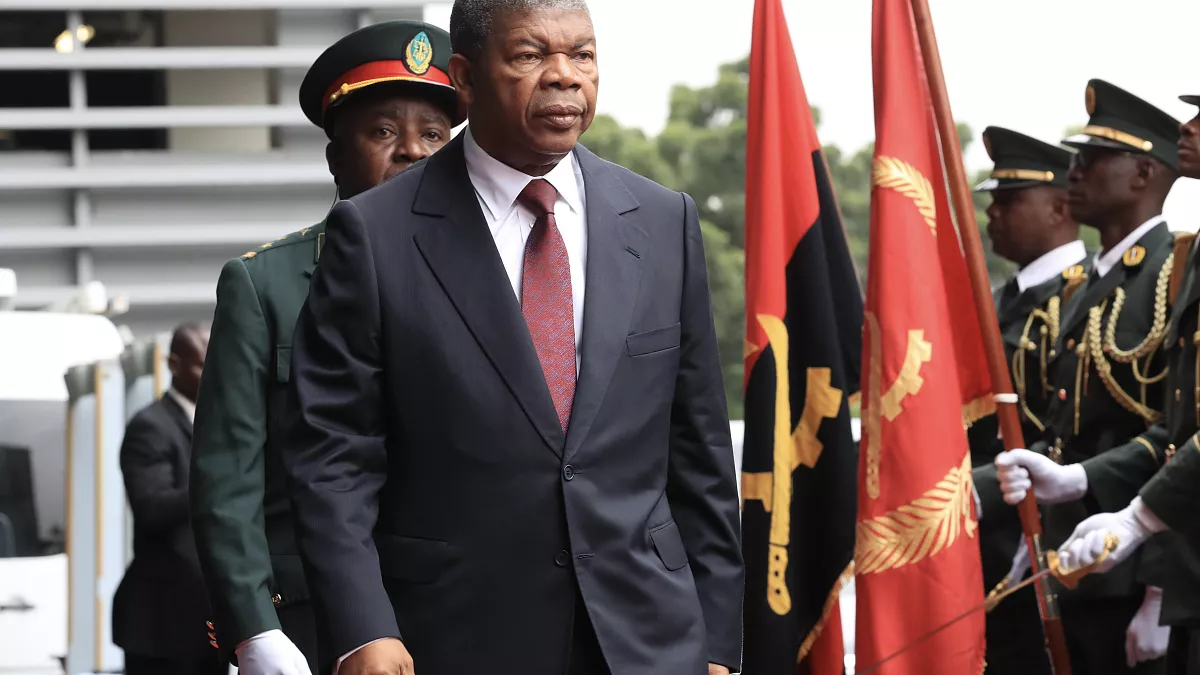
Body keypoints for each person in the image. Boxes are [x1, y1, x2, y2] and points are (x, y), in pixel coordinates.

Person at [279, 1, 744, 674]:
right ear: (465, 79)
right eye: (530, 55)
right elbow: (333, 456)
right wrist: (363, 629)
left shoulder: (664, 220)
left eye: (582, 55)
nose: (564, 75)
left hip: (649, 641)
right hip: (454, 637)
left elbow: (699, 452)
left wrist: (719, 645)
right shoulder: (375, 234)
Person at [189, 20, 460, 675]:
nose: (413, 151)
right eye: (384, 132)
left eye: (433, 135)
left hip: (456, 611)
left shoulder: (493, 281)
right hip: (311, 622)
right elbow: (227, 483)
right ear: (336, 156)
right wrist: (254, 631)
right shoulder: (264, 285)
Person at [994, 79, 1185, 674]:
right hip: (1075, 560)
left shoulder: (1173, 273)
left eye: (1096, 158)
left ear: (1144, 173)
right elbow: (1061, 433)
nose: (1074, 171)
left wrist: (1161, 594)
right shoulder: (1085, 289)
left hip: (1135, 568)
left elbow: (1178, 433)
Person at [1049, 95, 1200, 675]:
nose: (1188, 127)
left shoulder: (1172, 264)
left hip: (1149, 569)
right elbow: (1177, 430)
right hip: (1140, 559)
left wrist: (1146, 544)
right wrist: (1074, 479)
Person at [967, 126, 1085, 675]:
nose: (993, 214)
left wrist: (977, 488)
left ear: (1060, 207)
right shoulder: (997, 300)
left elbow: (1074, 427)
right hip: (981, 538)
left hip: (1047, 533)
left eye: (1010, 201)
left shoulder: (1082, 296)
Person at [113, 324, 221, 675]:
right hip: (163, 625)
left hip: (209, 621)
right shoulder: (150, 426)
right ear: (173, 364)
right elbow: (151, 506)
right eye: (201, 365)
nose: (212, 375)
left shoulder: (220, 423)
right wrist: (223, 486)